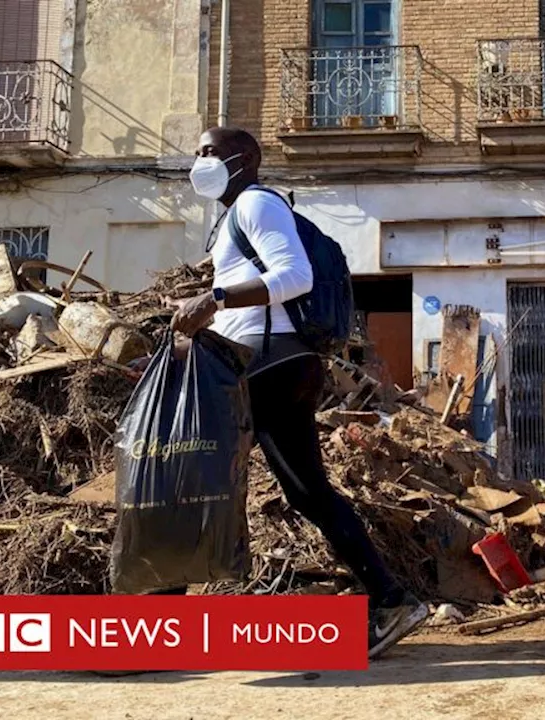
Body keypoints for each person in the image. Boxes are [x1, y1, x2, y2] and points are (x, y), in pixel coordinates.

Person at [161, 126, 428, 659]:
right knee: (305, 491)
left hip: (266, 362)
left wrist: (212, 300)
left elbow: (295, 276)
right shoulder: (235, 215)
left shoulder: (256, 204)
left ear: (245, 159)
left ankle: (156, 630)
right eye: (197, 153)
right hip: (274, 363)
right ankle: (392, 600)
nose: (200, 162)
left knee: (193, 480)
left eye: (210, 152)